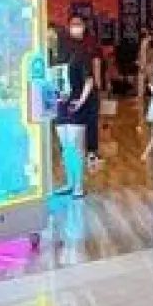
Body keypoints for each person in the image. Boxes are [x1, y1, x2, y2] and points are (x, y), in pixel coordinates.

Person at [54, 19, 99, 199]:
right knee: (65, 146)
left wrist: (80, 101)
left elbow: (89, 80)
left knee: (76, 145)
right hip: (60, 105)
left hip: (76, 104)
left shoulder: (81, 54)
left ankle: (79, 185)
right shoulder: (56, 58)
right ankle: (70, 182)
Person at [65, 17, 104, 167]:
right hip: (71, 89)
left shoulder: (91, 43)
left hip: (90, 86)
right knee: (73, 123)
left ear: (84, 26)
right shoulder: (65, 44)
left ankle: (92, 152)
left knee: (92, 120)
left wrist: (98, 85)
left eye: (79, 24)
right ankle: (73, 154)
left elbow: (97, 63)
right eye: (73, 24)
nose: (76, 27)